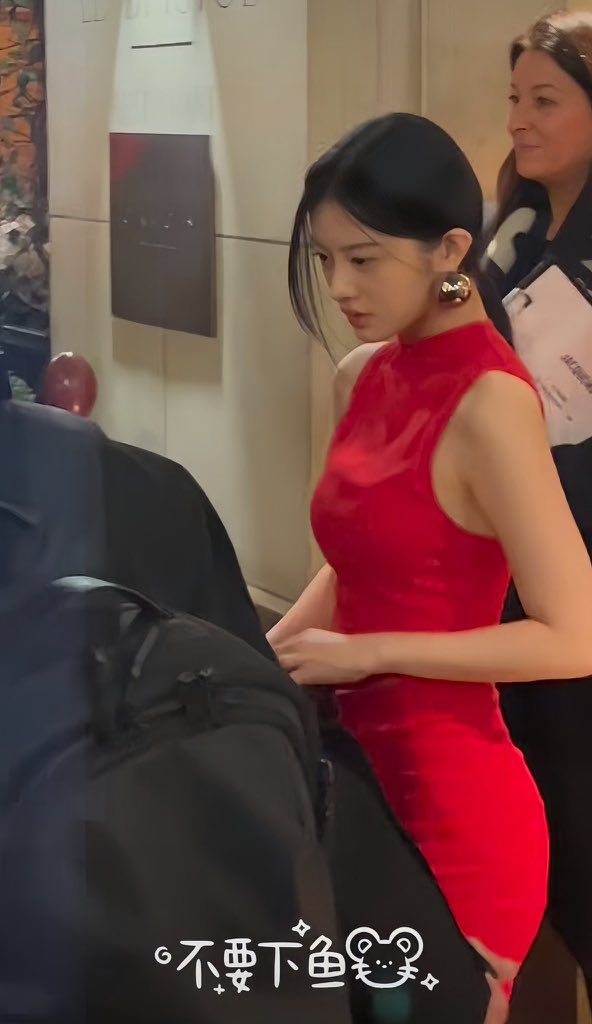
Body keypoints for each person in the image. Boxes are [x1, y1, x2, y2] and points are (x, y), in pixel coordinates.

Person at [267, 112, 592, 1018]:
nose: (339, 286)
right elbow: (359, 563)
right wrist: (266, 656)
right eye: (325, 259)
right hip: (346, 782)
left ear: (450, 250)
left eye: (364, 259)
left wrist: (367, 654)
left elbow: (574, 635)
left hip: (454, 819)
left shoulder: (491, 403)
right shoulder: (364, 375)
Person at [486, 9, 592, 1002]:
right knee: (530, 830)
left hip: (580, 570)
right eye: (514, 98)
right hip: (506, 563)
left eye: (545, 100)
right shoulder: (506, 236)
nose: (519, 119)